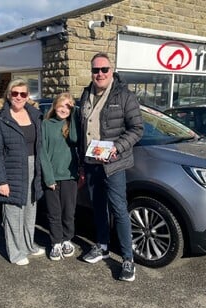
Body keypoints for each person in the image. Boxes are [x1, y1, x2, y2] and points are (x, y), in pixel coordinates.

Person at [78, 52, 143, 282]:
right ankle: (102, 245)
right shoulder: (86, 94)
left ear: (111, 69)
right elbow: (82, 130)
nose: (100, 74)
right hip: (92, 162)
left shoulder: (124, 95)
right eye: (96, 70)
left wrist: (116, 147)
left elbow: (137, 129)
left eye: (104, 69)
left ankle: (127, 259)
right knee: (98, 208)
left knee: (119, 209)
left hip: (114, 163)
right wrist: (81, 164)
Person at [0, 78, 45, 265]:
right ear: (8, 94)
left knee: (30, 209)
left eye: (23, 94)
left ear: (28, 96)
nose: (19, 97)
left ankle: (28, 245)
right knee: (13, 212)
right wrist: (1, 181)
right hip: (12, 170)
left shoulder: (35, 115)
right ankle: (16, 252)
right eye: (15, 93)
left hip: (33, 168)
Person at [40, 93, 79, 260]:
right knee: (54, 212)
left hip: (69, 176)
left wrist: (75, 115)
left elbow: (75, 139)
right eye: (62, 105)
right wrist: (49, 177)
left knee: (68, 212)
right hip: (53, 177)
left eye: (68, 107)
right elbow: (43, 152)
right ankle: (56, 242)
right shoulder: (46, 125)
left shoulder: (71, 125)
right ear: (55, 106)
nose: (64, 109)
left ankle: (67, 239)